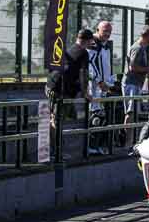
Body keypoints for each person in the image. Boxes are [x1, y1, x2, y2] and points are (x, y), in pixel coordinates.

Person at [45, 29, 94, 125]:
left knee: (68, 117)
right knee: (57, 120)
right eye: (90, 41)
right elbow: (83, 74)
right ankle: (55, 139)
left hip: (52, 86)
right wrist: (85, 93)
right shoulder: (83, 53)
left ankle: (61, 138)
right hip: (60, 90)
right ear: (88, 41)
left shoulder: (71, 49)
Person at [87, 21, 115, 154]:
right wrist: (99, 81)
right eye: (105, 31)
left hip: (103, 86)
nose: (107, 34)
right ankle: (91, 146)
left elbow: (106, 65)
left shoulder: (106, 45)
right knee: (96, 115)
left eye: (109, 31)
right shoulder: (93, 43)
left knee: (102, 116)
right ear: (98, 30)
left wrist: (109, 82)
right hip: (95, 87)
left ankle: (97, 146)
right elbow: (90, 64)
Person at [122, 26, 149, 127]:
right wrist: (147, 69)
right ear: (147, 35)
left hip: (136, 83)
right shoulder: (138, 47)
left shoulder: (142, 48)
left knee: (133, 113)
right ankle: (127, 141)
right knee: (130, 113)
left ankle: (130, 140)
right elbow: (132, 67)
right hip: (132, 83)